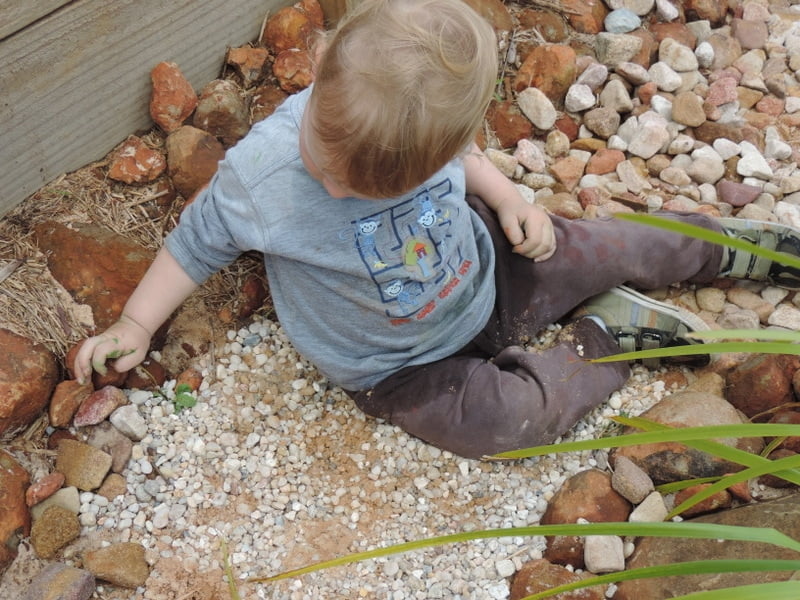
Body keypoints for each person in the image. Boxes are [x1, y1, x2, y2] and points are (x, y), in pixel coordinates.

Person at [75, 0, 800, 459]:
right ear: (321, 67)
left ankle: (738, 247)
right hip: (398, 368)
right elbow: (198, 241)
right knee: (502, 422)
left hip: (491, 268)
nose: (331, 186)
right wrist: (137, 323)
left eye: (357, 186)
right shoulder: (261, 174)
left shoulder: (425, 127)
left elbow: (469, 155)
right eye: (325, 165)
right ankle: (606, 338)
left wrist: (510, 197)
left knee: (613, 242)